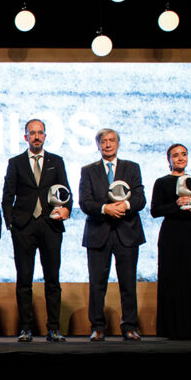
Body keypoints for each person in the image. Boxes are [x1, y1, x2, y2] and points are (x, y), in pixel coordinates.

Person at [0, 119, 70, 342]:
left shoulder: (56, 161)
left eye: (40, 133)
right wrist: (10, 223)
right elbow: (7, 195)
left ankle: (54, 328)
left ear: (45, 136)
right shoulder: (16, 162)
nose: (36, 136)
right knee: (24, 280)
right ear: (25, 137)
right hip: (23, 227)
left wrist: (67, 209)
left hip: (51, 225)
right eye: (32, 133)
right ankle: (26, 328)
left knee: (52, 280)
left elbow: (66, 190)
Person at [79, 128, 146, 341]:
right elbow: (85, 202)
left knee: (128, 283)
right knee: (97, 283)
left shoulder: (132, 168)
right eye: (103, 141)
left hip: (127, 232)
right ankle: (97, 327)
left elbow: (140, 198)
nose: (108, 144)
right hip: (99, 233)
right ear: (98, 145)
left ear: (118, 143)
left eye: (111, 140)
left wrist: (123, 205)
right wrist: (105, 209)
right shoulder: (88, 170)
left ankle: (130, 326)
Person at [150, 144, 191, 340]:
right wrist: (176, 205)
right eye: (175, 155)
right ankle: (171, 329)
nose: (180, 158)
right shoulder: (162, 182)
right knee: (171, 280)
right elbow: (155, 210)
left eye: (184, 154)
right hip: (171, 236)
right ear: (169, 160)